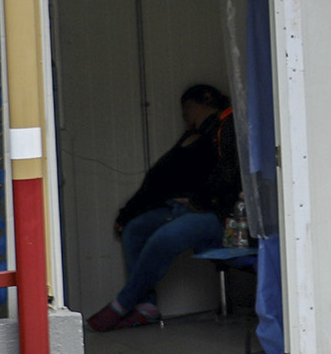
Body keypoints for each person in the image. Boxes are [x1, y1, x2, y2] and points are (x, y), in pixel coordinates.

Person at [89, 84, 242, 332]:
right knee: (135, 229)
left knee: (164, 238)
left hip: (219, 213)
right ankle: (147, 307)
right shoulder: (194, 134)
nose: (186, 115)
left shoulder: (225, 127)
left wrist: (198, 200)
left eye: (188, 108)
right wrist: (128, 212)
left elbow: (228, 174)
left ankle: (122, 303)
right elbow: (160, 178)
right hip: (185, 206)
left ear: (203, 102)